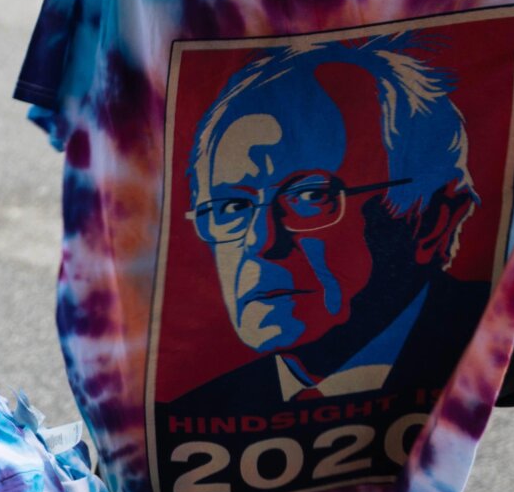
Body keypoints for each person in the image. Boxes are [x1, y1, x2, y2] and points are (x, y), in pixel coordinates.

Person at [169, 35, 491, 409]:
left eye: (309, 197)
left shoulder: (500, 339)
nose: (260, 241)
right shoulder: (200, 410)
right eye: (232, 207)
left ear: (430, 220)